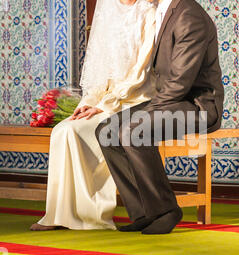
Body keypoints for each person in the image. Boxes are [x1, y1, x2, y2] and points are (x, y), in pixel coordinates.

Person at [96, 0, 224, 235]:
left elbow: (180, 82)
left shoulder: (189, 15)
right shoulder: (164, 11)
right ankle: (144, 212)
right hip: (174, 100)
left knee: (133, 130)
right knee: (106, 131)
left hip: (197, 106)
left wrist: (146, 112)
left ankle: (166, 210)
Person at [30, 0, 158, 231]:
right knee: (64, 130)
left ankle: (93, 215)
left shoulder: (149, 13)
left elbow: (142, 72)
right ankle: (59, 215)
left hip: (136, 100)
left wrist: (107, 104)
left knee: (91, 132)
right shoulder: (108, 10)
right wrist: (88, 102)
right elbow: (99, 70)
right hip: (107, 101)